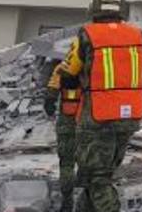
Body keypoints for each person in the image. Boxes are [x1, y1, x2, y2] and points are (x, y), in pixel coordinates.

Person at [59, 0, 142, 212]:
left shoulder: (87, 35)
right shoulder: (138, 35)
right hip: (129, 116)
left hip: (97, 117)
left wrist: (69, 109)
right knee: (100, 174)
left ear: (94, 11)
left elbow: (69, 74)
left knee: (98, 178)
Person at [45, 59, 84, 212]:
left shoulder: (62, 68)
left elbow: (50, 97)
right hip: (88, 122)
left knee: (66, 163)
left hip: (67, 121)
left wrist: (50, 104)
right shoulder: (91, 67)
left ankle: (67, 202)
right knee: (88, 163)